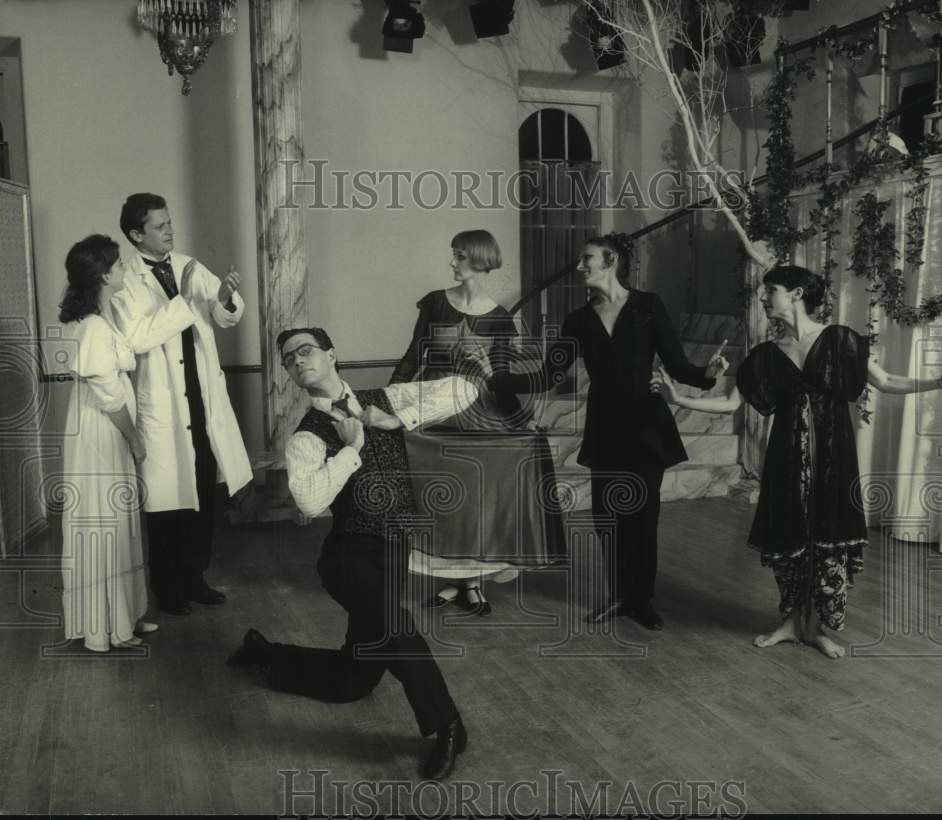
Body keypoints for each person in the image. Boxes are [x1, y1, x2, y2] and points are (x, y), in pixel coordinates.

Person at [652, 264, 942, 658]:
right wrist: (678, 400)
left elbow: (885, 381)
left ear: (796, 294)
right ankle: (792, 621)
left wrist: (936, 382)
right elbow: (731, 404)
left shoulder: (839, 340)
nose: (764, 297)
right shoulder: (764, 355)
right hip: (786, 460)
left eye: (772, 289)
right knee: (790, 538)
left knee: (827, 539)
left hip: (833, 459)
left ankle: (814, 627)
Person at [227, 327, 476, 780]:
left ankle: (267, 654)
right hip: (348, 556)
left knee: (353, 681)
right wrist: (353, 448)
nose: (298, 360)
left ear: (331, 354)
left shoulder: (386, 398)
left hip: (395, 549)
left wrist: (393, 420)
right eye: (289, 358)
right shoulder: (307, 435)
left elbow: (465, 389)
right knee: (397, 628)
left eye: (306, 350)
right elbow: (308, 502)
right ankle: (449, 726)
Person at [489, 233, 728, 630]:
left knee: (642, 518)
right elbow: (550, 374)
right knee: (606, 519)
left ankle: (641, 600)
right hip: (605, 429)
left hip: (647, 427)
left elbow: (678, 363)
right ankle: (619, 596)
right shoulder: (578, 320)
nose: (580, 266)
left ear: (611, 261)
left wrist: (707, 374)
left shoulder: (648, 307)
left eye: (587, 259)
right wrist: (500, 380)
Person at [389, 229, 565, 615]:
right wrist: (388, 401)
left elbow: (500, 379)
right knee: (443, 501)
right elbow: (411, 358)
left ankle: (469, 583)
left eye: (460, 257)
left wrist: (523, 420)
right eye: (453, 255)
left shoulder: (501, 320)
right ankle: (458, 583)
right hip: (434, 412)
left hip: (481, 416)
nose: (452, 263)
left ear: (480, 261)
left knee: (475, 500)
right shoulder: (436, 303)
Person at [112, 193, 252, 616]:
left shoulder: (188, 263)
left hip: (201, 391)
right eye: (160, 226)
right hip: (163, 400)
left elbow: (226, 314)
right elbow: (138, 337)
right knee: (168, 501)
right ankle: (167, 586)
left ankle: (196, 577)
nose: (171, 231)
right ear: (137, 235)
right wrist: (189, 302)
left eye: (170, 223)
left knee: (203, 491)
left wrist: (225, 295)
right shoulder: (125, 279)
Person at [58, 235, 159, 651]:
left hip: (103, 430)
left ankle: (125, 616)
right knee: (106, 521)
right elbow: (108, 396)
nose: (123, 270)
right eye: (118, 265)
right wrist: (135, 439)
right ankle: (107, 627)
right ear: (103, 274)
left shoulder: (102, 319)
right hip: (102, 432)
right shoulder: (95, 327)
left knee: (117, 522)